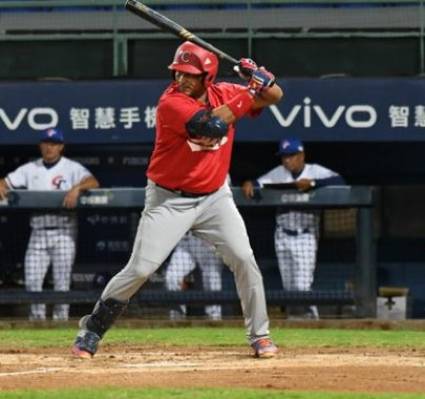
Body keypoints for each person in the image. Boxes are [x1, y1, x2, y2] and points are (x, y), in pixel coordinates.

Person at [71, 41, 283, 359]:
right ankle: (91, 329)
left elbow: (275, 96)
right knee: (141, 269)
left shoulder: (227, 91)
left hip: (214, 197)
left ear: (207, 77)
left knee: (244, 260)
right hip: (169, 200)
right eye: (179, 72)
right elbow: (212, 125)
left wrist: (263, 78)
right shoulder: (171, 103)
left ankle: (260, 335)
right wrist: (251, 89)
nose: (182, 80)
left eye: (190, 75)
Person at [0, 128, 99, 321]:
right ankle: (37, 322)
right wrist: (1, 184)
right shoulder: (30, 168)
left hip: (64, 231)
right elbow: (6, 181)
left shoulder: (71, 168)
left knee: (62, 284)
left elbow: (93, 182)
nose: (49, 147)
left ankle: (60, 321)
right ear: (40, 145)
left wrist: (78, 187)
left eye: (53, 143)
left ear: (61, 147)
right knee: (32, 282)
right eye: (46, 143)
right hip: (39, 232)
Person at [242, 137, 345, 319]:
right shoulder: (279, 172)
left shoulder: (314, 171)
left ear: (301, 155)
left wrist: (313, 184)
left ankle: (314, 323)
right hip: (282, 235)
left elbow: (341, 182)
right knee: (289, 289)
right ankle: (295, 324)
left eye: (291, 156)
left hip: (305, 235)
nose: (286, 160)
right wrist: (249, 182)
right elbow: (258, 184)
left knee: (302, 287)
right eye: (284, 156)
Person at [165, 231, 223, 321]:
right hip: (186, 241)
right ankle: (176, 321)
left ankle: (214, 321)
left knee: (212, 281)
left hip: (207, 240)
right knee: (172, 278)